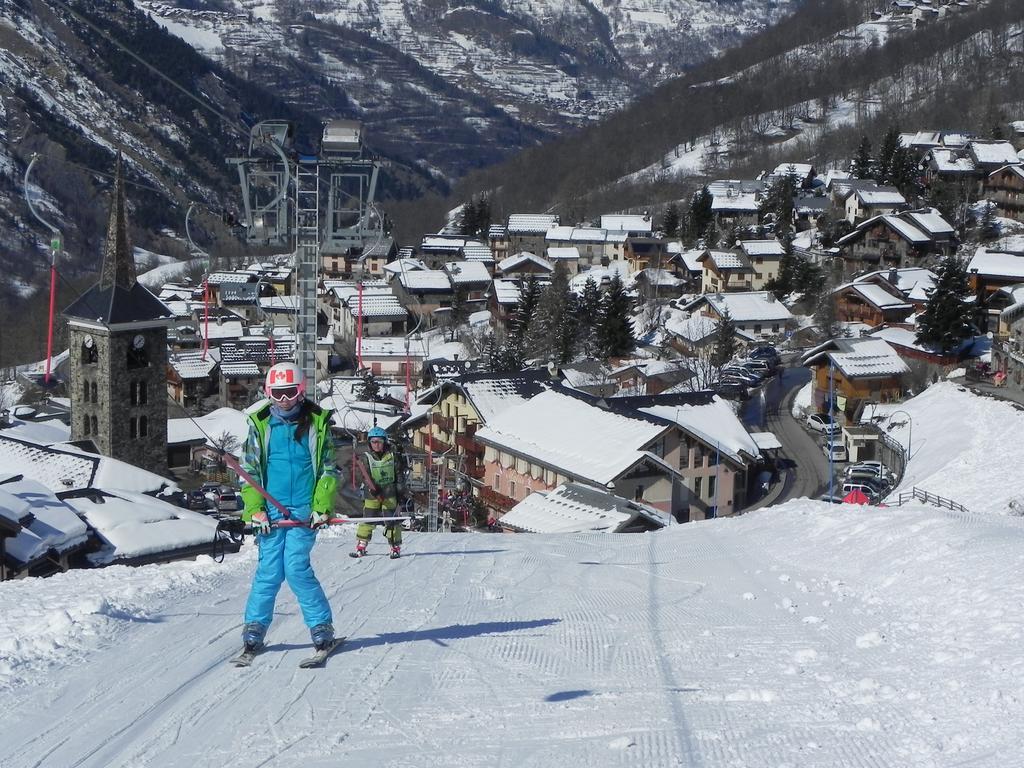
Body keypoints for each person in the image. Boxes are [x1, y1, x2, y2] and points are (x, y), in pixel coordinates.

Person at [238, 362, 339, 654]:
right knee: (269, 569)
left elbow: (329, 470)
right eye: (278, 393)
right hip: (270, 508)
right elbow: (249, 470)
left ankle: (321, 625)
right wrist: (255, 509)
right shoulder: (261, 425)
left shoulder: (316, 425)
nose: (284, 401)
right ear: (269, 393)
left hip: (303, 510)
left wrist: (321, 507)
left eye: (290, 393)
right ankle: (255, 626)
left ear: (301, 391)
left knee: (295, 568)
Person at [353, 425, 404, 559]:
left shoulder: (393, 457)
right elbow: (364, 475)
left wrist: (401, 494)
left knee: (392, 520)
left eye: (379, 442)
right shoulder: (366, 457)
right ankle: (361, 545)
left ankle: (395, 546)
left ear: (384, 442)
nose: (376, 445)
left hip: (390, 493)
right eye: (373, 442)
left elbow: (399, 476)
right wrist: (373, 489)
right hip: (373, 493)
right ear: (370, 443)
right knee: (369, 518)